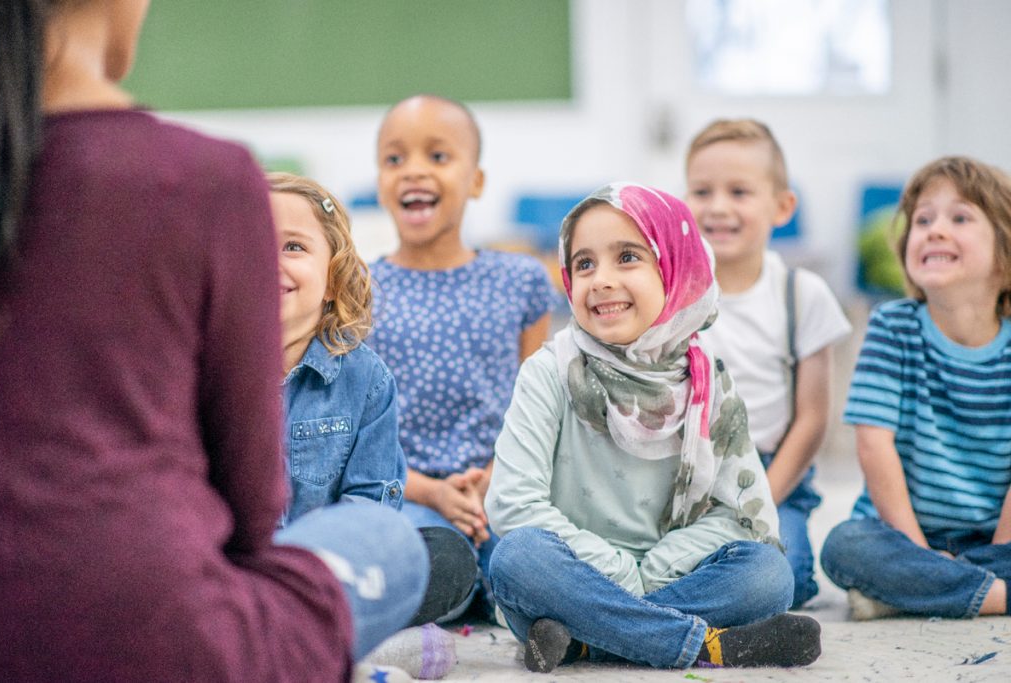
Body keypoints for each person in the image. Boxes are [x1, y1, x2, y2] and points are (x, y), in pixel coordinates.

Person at [0, 3, 427, 681]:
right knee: (393, 542)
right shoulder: (207, 178)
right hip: (167, 636)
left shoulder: (361, 374)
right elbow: (249, 512)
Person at [484, 182, 822, 672]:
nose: (600, 280)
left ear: (674, 267)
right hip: (573, 574)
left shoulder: (709, 381)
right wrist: (621, 572)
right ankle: (706, 646)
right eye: (584, 264)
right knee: (518, 559)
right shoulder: (550, 371)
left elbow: (738, 514)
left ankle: (588, 643)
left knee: (769, 575)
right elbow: (515, 503)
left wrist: (653, 570)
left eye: (627, 257)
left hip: (673, 576)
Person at [268, 171, 476, 678]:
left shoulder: (366, 379)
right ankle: (346, 641)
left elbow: (372, 511)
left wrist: (312, 567)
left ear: (334, 279)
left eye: (293, 246)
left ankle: (292, 634)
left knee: (446, 557)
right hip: (230, 569)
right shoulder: (204, 368)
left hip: (328, 574)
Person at [367, 94, 555, 620]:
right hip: (409, 493)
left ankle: (507, 595)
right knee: (419, 552)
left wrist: (497, 476)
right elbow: (356, 431)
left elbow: (537, 406)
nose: (414, 172)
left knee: (537, 559)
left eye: (438, 156)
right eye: (394, 159)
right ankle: (469, 591)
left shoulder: (520, 280)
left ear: (476, 181)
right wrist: (432, 492)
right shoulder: (356, 290)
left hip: (506, 484)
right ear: (380, 181)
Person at [820, 156, 1011, 621]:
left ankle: (920, 591)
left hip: (994, 537)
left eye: (959, 217)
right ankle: (992, 596)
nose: (934, 230)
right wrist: (919, 553)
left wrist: (1003, 551)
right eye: (922, 219)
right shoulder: (893, 325)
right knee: (843, 547)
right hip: (900, 533)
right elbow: (874, 444)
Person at [684, 119, 851, 607]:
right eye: (701, 191)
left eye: (739, 191)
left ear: (782, 206)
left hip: (774, 473)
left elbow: (813, 419)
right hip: (685, 476)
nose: (718, 207)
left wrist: (761, 500)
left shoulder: (802, 294)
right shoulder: (672, 294)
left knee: (789, 574)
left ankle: (676, 602)